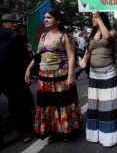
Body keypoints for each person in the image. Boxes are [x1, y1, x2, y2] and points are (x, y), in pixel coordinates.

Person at [25, 9, 82, 143]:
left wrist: (70, 76)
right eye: (45, 17)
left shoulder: (65, 36)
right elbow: (38, 55)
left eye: (49, 17)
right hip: (44, 77)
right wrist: (28, 69)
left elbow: (72, 56)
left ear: (58, 20)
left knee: (62, 104)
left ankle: (67, 131)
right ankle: (53, 131)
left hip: (60, 76)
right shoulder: (43, 36)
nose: (45, 20)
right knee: (49, 105)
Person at [80, 9, 117, 147]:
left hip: (108, 72)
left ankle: (110, 135)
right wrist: (84, 59)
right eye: (93, 18)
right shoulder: (92, 35)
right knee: (96, 103)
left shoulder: (112, 32)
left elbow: (106, 36)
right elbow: (89, 50)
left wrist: (98, 16)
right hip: (94, 73)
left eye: (94, 17)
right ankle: (96, 134)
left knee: (109, 103)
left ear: (101, 18)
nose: (93, 19)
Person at [0, 15, 34, 145]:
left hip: (12, 77)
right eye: (12, 22)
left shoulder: (16, 36)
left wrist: (27, 73)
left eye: (16, 22)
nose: (15, 24)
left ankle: (26, 131)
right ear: (4, 23)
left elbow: (24, 58)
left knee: (18, 105)